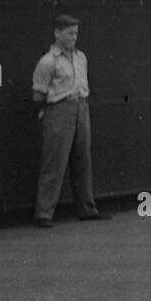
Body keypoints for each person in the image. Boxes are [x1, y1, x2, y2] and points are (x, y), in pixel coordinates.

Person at [31, 15, 112, 228]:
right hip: (58, 110)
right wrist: (51, 110)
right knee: (54, 162)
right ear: (57, 33)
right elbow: (38, 95)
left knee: (83, 160)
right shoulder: (47, 62)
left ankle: (87, 208)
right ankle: (44, 214)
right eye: (69, 33)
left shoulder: (81, 57)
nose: (73, 37)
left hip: (81, 108)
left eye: (76, 33)